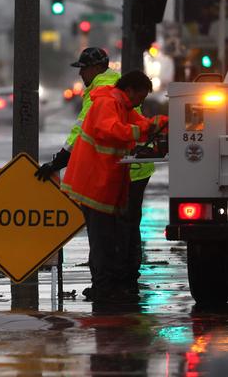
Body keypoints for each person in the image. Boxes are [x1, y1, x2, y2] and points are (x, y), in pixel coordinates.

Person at [34, 47, 156, 297]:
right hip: (135, 167)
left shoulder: (101, 93)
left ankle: (112, 285)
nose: (81, 75)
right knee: (128, 228)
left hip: (119, 170)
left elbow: (82, 132)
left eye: (83, 69)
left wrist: (57, 163)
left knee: (108, 232)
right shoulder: (116, 86)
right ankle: (126, 283)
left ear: (96, 68)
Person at [60, 70, 162, 304]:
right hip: (93, 184)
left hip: (105, 183)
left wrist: (159, 126)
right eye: (140, 97)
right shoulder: (107, 103)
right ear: (129, 91)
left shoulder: (121, 105)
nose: (141, 103)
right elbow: (111, 131)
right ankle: (104, 289)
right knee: (103, 240)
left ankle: (110, 286)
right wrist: (145, 130)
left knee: (111, 237)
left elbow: (140, 124)